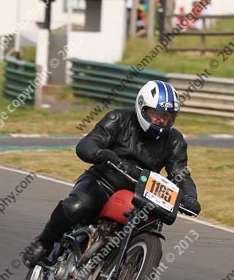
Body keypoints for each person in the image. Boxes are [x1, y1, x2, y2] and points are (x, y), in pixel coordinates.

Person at [22, 80, 201, 267]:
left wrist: (189, 197)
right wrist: (99, 153)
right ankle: (43, 243)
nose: (162, 120)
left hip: (141, 194)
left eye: (168, 116)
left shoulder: (175, 140)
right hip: (102, 182)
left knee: (150, 224)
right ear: (142, 108)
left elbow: (180, 173)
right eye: (157, 114)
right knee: (76, 206)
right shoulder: (119, 118)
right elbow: (88, 143)